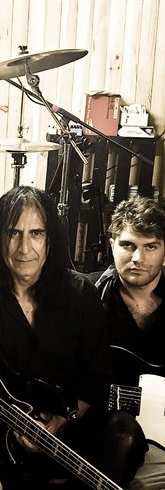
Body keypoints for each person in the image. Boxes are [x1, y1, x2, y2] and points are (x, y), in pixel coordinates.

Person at [0, 186, 147, 489]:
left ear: (50, 239)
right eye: (13, 233)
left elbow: (96, 377)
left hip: (64, 431)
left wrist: (62, 421)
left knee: (125, 434)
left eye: (36, 233)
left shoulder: (81, 294)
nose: (24, 248)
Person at [89, 195, 165, 489]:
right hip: (105, 436)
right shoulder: (86, 297)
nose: (138, 258)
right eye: (128, 245)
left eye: (150, 247)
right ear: (112, 245)